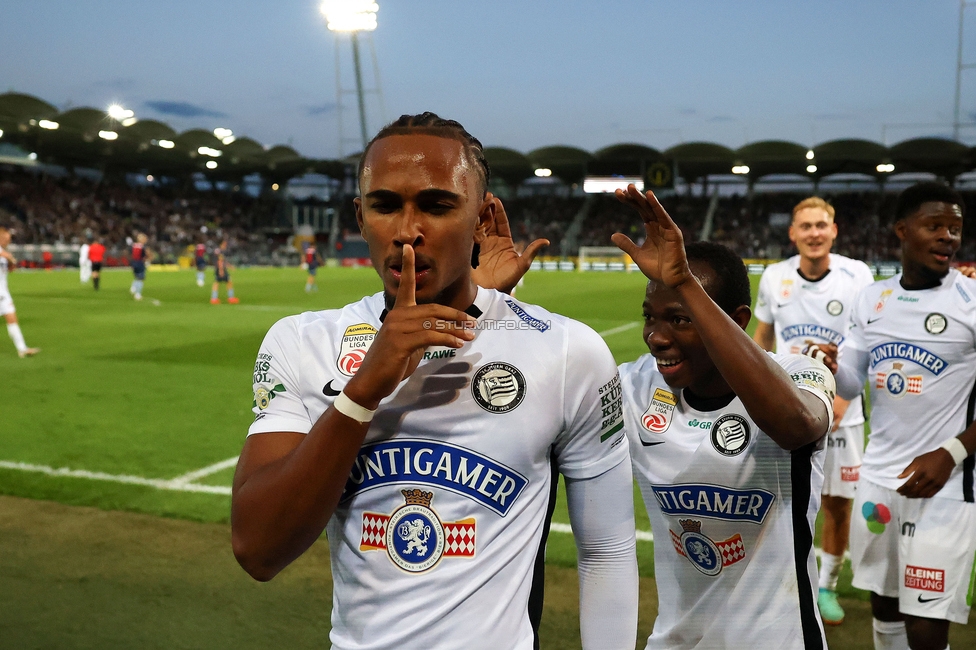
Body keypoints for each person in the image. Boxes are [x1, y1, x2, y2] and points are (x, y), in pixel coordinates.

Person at [230, 113, 638, 650]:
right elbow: (259, 550)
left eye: (437, 205)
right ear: (359, 216)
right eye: (384, 205)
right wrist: (362, 393)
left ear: (482, 217)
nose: (406, 231)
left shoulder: (567, 351)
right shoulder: (301, 342)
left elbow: (606, 551)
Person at [812, 182, 976, 650]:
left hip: (945, 486)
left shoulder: (971, 301)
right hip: (879, 478)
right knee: (884, 602)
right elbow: (851, 383)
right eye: (935, 226)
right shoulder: (873, 300)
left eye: (955, 228)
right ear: (902, 230)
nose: (948, 236)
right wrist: (833, 364)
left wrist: (951, 453)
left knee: (924, 619)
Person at [752, 196, 876, 625]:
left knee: (838, 504)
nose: (814, 233)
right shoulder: (774, 276)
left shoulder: (856, 275)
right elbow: (763, 336)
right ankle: (778, 583)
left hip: (844, 410)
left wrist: (841, 401)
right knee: (776, 500)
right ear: (793, 233)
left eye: (821, 225)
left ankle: (826, 586)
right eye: (805, 226)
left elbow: (867, 340)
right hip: (787, 410)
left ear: (834, 230)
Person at [0, 228, 39, 358]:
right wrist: (6, 256)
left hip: (3, 292)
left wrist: (10, 261)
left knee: (12, 318)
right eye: (6, 239)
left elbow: (10, 269)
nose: (8, 241)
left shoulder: (4, 252)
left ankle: (22, 349)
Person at [129, 233, 151, 301]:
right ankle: (138, 294)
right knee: (140, 279)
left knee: (136, 277)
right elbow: (147, 255)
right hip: (140, 263)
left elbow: (130, 254)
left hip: (134, 262)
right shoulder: (143, 247)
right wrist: (148, 261)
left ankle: (133, 287)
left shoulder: (133, 245)